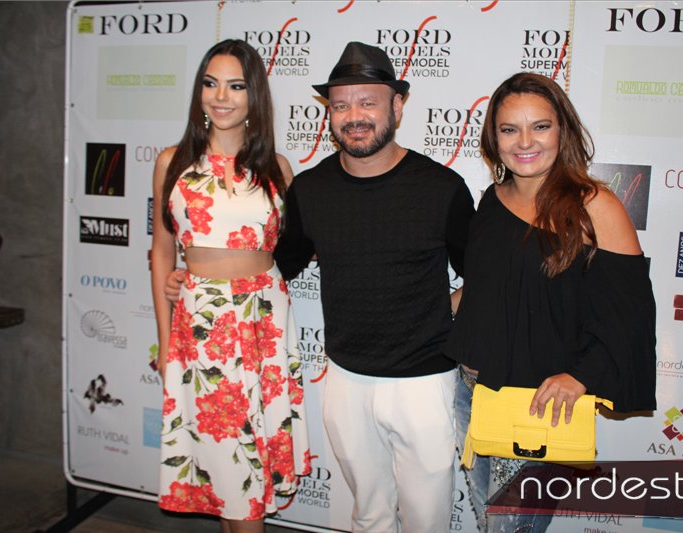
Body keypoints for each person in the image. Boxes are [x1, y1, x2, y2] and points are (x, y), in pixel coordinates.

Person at [166, 41, 475, 532]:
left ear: (397, 106)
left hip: (424, 382)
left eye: (368, 102)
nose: (354, 116)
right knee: (368, 516)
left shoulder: (442, 187)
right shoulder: (309, 190)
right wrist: (198, 276)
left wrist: (447, 307)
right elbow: (274, 265)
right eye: (341, 105)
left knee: (427, 520)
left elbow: (478, 273)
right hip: (346, 379)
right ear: (328, 114)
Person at [445, 72, 657, 531]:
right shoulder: (492, 199)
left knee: (511, 527)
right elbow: (482, 289)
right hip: (471, 392)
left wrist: (581, 376)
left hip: (537, 404)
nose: (525, 142)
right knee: (487, 520)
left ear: (562, 130)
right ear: (494, 137)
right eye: (509, 129)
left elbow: (632, 313)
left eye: (540, 126)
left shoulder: (594, 206)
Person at [150, 39, 310, 532]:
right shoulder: (172, 163)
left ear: (254, 95)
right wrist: (165, 340)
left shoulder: (278, 168)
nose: (221, 96)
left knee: (244, 473)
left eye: (236, 86)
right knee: (229, 470)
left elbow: (296, 249)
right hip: (202, 326)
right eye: (211, 83)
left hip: (263, 325)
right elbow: (161, 251)